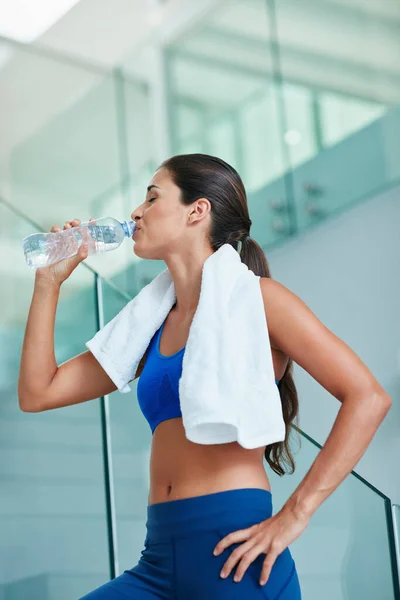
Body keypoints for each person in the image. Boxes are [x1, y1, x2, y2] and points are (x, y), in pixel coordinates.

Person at [18, 154, 392, 599]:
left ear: (197, 211)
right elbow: (38, 392)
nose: (136, 212)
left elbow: (367, 397)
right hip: (157, 558)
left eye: (152, 198)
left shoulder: (259, 301)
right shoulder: (148, 325)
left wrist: (296, 514)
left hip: (235, 557)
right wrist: (48, 285)